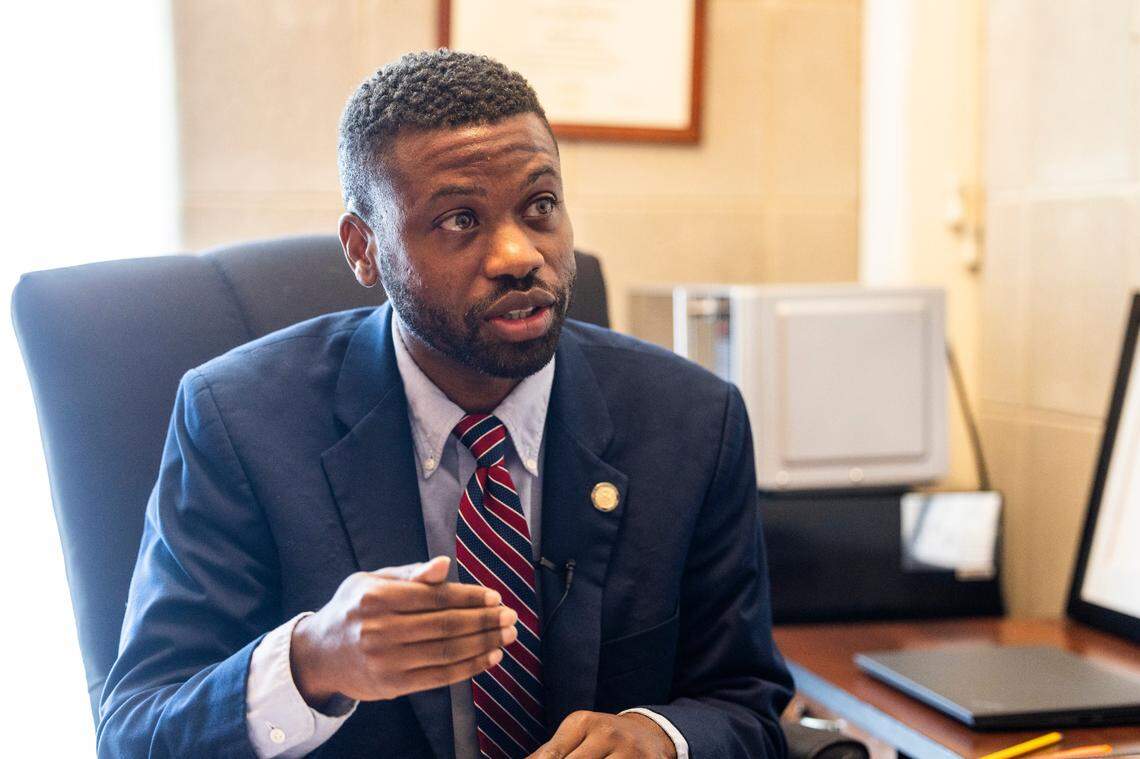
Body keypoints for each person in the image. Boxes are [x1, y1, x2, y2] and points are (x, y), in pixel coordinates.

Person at [98, 50, 793, 758]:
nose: (520, 253)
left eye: (540, 206)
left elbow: (748, 704)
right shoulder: (239, 421)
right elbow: (135, 732)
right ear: (364, 249)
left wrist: (662, 739)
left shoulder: (693, 422)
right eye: (461, 220)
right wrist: (311, 662)